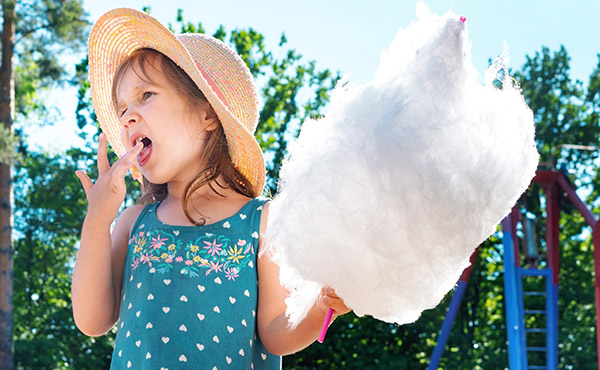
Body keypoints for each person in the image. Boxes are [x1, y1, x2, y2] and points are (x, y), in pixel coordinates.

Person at [71, 8, 350, 369]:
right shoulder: (133, 223)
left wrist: (318, 308)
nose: (127, 117)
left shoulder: (261, 222)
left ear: (208, 114)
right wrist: (97, 220)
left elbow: (275, 333)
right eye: (122, 108)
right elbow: (91, 321)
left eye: (146, 95)